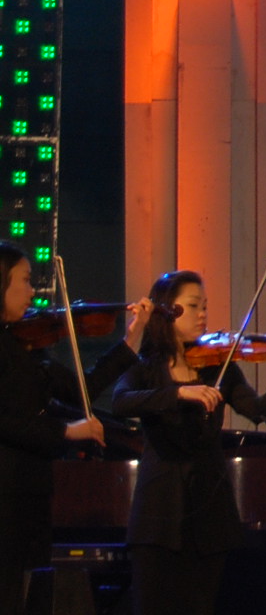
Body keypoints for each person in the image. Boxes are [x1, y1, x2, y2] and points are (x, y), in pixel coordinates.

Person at [107, 269, 266, 615]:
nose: (203, 314)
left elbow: (257, 410)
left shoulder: (219, 365)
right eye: (193, 306)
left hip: (210, 511)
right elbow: (120, 402)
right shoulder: (145, 367)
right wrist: (180, 393)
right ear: (167, 310)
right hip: (158, 514)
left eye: (205, 306)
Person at [0, 243, 146, 615]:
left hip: (29, 492)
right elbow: (9, 423)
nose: (32, 291)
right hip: (5, 493)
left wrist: (131, 341)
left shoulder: (27, 347)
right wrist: (68, 432)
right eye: (25, 280)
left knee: (25, 595)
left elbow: (84, 388)